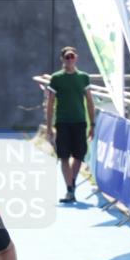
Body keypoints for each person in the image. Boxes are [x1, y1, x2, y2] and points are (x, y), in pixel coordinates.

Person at [45, 46, 95, 204]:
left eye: (72, 56)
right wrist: (49, 126)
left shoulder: (83, 77)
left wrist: (92, 124)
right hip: (63, 122)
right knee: (64, 156)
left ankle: (71, 183)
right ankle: (69, 189)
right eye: (67, 57)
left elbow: (89, 101)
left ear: (76, 58)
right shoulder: (56, 78)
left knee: (78, 156)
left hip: (80, 122)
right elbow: (51, 102)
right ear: (62, 59)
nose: (70, 59)